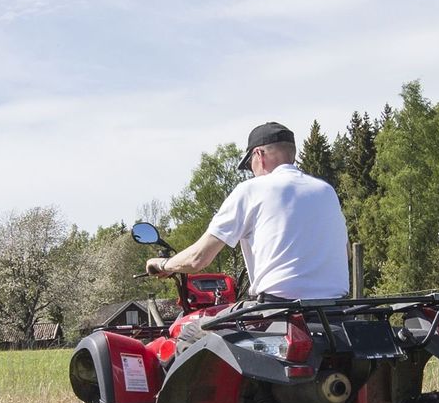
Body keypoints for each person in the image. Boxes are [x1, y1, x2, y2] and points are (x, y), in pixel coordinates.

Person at [146, 121, 349, 302]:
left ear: (258, 155)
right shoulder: (325, 190)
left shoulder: (252, 189)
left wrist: (164, 264)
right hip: (337, 313)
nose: (252, 171)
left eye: (249, 164)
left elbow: (198, 259)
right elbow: (346, 252)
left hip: (281, 313)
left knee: (191, 334)